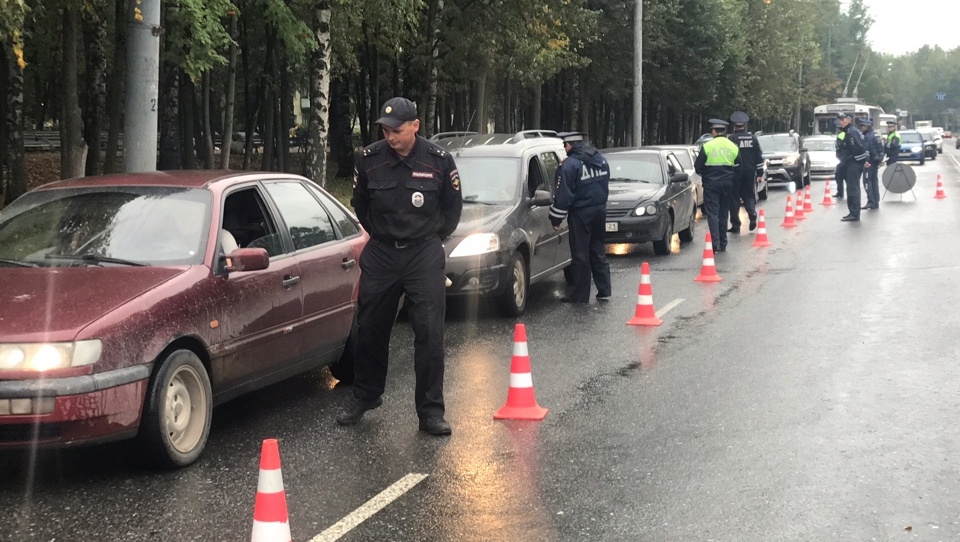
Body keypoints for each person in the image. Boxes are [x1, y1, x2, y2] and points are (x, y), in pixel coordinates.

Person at [338, 97, 463, 436]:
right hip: (382, 251)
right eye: (385, 130)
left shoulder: (438, 161)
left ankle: (430, 411)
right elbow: (361, 205)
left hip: (423, 252)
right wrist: (382, 235)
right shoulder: (369, 160)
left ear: (415, 126)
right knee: (369, 328)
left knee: (428, 332)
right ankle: (366, 394)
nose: (390, 136)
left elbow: (452, 210)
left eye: (397, 130)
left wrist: (431, 238)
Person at [549, 131, 612, 303]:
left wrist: (555, 219)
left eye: (565, 146)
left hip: (581, 214)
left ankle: (580, 295)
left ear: (569, 145)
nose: (565, 149)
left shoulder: (569, 165)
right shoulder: (600, 160)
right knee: (597, 250)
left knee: (580, 254)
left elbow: (564, 196)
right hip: (600, 210)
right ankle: (604, 289)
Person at [694, 119, 740, 252]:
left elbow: (697, 167)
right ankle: (723, 243)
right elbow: (738, 165)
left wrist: (705, 174)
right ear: (724, 131)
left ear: (714, 132)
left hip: (711, 184)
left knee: (713, 213)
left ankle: (715, 242)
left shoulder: (708, 146)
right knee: (724, 212)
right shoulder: (732, 146)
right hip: (727, 184)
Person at [726, 111, 763, 232]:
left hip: (735, 171)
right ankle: (752, 214)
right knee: (749, 195)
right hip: (750, 171)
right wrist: (760, 173)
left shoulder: (731, 139)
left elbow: (728, 156)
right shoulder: (753, 138)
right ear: (745, 125)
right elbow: (758, 156)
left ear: (735, 126)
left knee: (734, 197)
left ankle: (736, 225)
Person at [836, 112, 868, 222]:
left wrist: (858, 161)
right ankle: (852, 212)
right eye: (840, 120)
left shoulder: (851, 132)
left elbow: (858, 148)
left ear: (849, 120)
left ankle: (855, 213)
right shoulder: (849, 131)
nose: (841, 121)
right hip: (851, 163)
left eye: (843, 119)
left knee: (853, 189)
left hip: (853, 164)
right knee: (851, 188)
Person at [859, 118, 883, 210]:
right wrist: (880, 159)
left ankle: (871, 201)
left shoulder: (868, 137)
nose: (861, 128)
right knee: (874, 181)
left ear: (866, 126)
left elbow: (868, 150)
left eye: (862, 126)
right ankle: (876, 201)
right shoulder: (876, 135)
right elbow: (881, 148)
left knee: (866, 182)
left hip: (870, 162)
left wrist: (867, 160)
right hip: (876, 162)